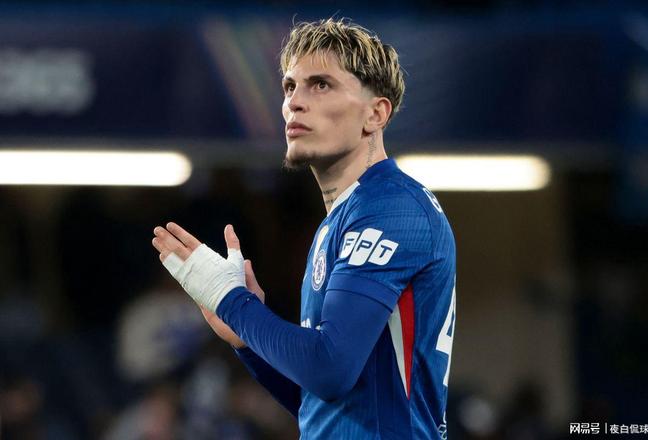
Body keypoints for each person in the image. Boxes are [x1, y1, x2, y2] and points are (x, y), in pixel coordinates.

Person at [151, 18, 457, 439]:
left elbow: (329, 369)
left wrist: (233, 301)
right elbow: (321, 401)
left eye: (321, 85)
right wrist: (245, 338)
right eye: (289, 87)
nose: (295, 102)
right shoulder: (345, 218)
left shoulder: (392, 209)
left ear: (375, 113)